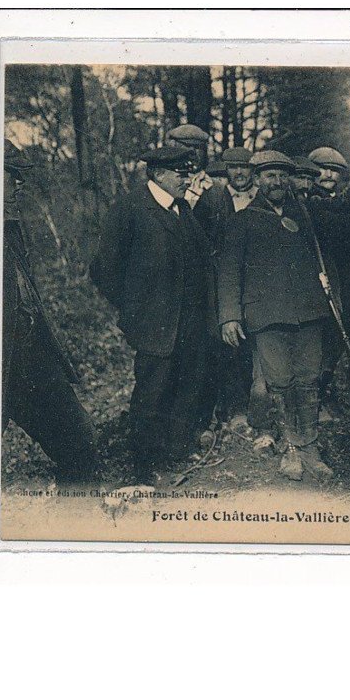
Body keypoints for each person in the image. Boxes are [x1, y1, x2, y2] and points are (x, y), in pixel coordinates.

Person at [218, 150, 350, 481]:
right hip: (266, 316)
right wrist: (229, 315)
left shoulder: (306, 212)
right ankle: (289, 448)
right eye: (269, 175)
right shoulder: (243, 220)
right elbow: (228, 269)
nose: (276, 181)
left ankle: (309, 447)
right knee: (280, 382)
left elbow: (346, 204)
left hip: (309, 313)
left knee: (308, 379)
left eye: (281, 175)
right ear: (257, 179)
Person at [90, 146, 212, 483]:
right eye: (180, 174)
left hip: (189, 321)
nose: (187, 180)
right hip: (154, 323)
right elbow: (103, 269)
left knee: (186, 386)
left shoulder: (182, 209)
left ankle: (176, 451)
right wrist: (133, 309)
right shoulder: (129, 208)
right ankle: (144, 467)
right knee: (152, 392)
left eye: (188, 173)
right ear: (158, 174)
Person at [2, 140, 99, 484]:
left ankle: (75, 528)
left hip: (27, 353)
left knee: (80, 441)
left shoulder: (11, 227)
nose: (18, 184)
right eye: (10, 174)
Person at [194, 147, 261, 426]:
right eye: (233, 167)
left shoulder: (261, 198)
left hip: (257, 282)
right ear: (226, 170)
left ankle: (256, 406)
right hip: (223, 281)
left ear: (252, 170)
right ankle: (231, 409)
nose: (239, 173)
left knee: (257, 343)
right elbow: (197, 238)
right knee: (228, 342)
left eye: (244, 167)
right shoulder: (212, 199)